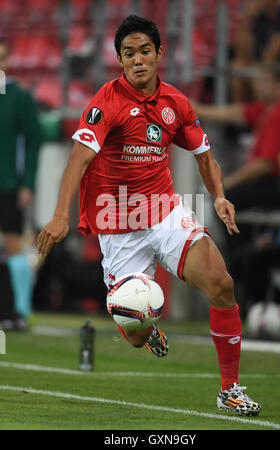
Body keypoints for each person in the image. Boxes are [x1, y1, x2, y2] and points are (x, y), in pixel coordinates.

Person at [37, 15, 261, 416]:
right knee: (137, 337)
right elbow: (77, 162)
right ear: (119, 60)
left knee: (221, 282)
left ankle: (230, 389)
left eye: (144, 51)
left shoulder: (176, 103)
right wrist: (59, 216)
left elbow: (204, 157)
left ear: (159, 53)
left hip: (164, 212)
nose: (137, 60)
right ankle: (146, 324)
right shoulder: (105, 102)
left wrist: (221, 197)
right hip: (117, 226)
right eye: (128, 53)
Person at [191, 63, 280, 211]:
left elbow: (265, 164)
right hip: (279, 180)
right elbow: (237, 112)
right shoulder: (275, 106)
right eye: (257, 81)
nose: (257, 86)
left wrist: (229, 181)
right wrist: (200, 110)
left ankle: (242, 234)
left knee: (226, 200)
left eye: (264, 81)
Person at [0, 39, 42, 328]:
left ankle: (21, 311)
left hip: (8, 182)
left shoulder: (19, 97)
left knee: (14, 243)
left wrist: (27, 182)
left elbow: (33, 140)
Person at [230, 0, 280, 102]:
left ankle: (261, 113)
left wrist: (260, 67)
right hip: (268, 66)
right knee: (237, 66)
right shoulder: (260, 18)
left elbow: (272, 55)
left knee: (262, 74)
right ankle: (244, 111)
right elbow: (242, 54)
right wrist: (247, 20)